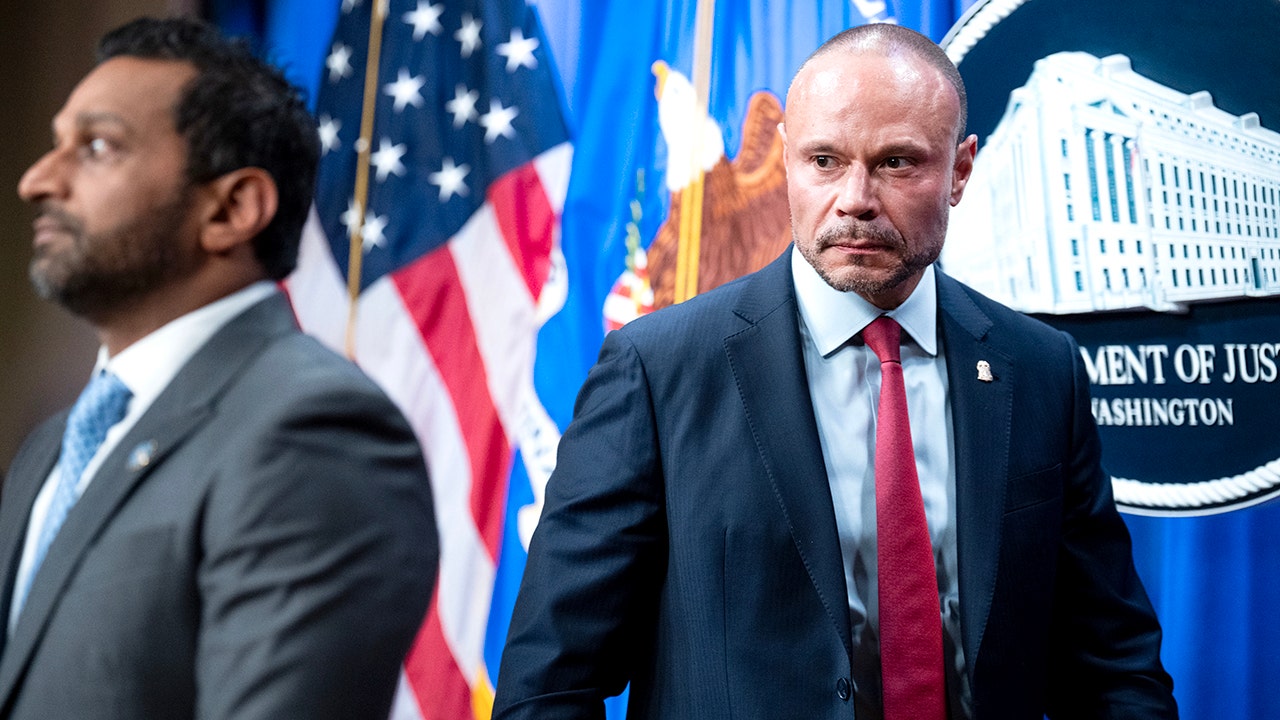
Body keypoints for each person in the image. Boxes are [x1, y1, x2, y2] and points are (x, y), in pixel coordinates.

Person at [493, 23, 1177, 720]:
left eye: (896, 163)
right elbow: (548, 687)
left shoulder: (1040, 370)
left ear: (960, 171)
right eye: (824, 160)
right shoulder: (657, 370)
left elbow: (1114, 669)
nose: (855, 198)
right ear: (787, 158)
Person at [0, 16, 438, 719]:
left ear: (233, 208)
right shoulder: (51, 447)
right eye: (55, 145)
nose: (36, 180)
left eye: (98, 146)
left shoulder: (313, 431)